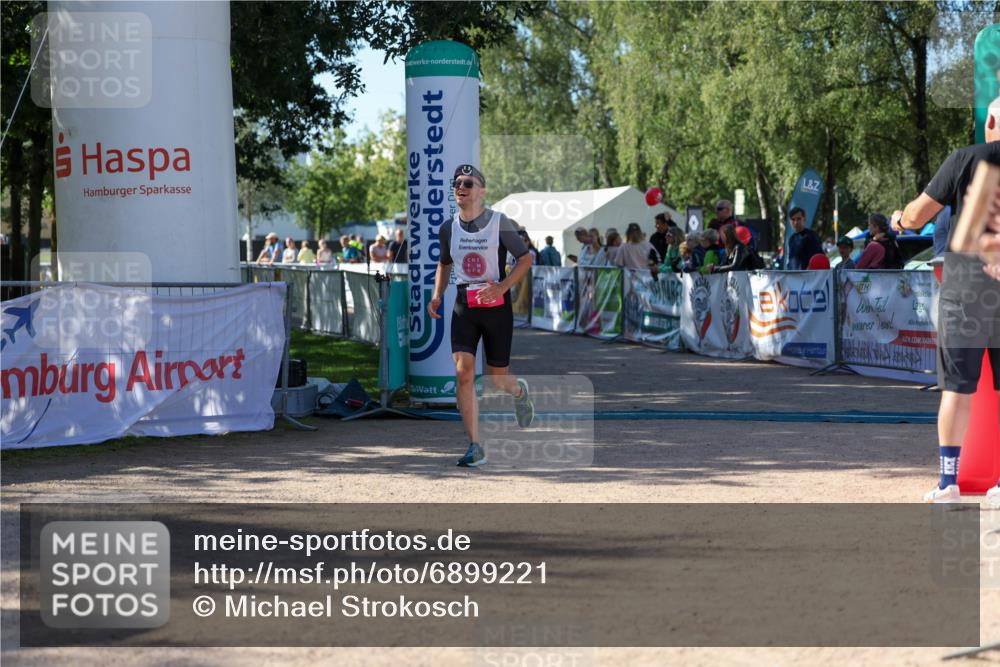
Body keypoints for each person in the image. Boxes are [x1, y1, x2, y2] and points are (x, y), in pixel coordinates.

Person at [890, 96, 1000, 505]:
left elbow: (919, 215)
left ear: (990, 120)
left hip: (967, 286)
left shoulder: (965, 158)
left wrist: (900, 219)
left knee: (957, 386)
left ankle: (948, 482)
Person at [428, 164, 535, 468]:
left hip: (496, 306)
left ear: (481, 190)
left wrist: (502, 287)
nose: (461, 186)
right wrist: (437, 294)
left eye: (468, 183)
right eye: (457, 183)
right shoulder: (448, 228)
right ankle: (476, 445)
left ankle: (518, 391)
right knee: (463, 372)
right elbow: (444, 263)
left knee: (496, 378)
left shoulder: (500, 223)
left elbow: (525, 260)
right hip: (464, 304)